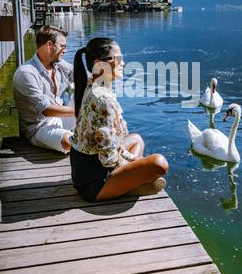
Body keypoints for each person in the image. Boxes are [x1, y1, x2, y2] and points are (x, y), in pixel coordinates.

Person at [70, 37, 169, 202]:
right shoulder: (102, 99)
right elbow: (108, 159)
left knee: (137, 139)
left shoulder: (93, 85)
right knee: (159, 163)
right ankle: (132, 186)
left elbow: (110, 143)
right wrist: (136, 162)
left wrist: (133, 160)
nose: (123, 63)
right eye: (118, 58)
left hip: (84, 170)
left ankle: (132, 183)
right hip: (94, 183)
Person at [13, 25, 76, 153]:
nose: (65, 50)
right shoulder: (26, 73)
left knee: (91, 89)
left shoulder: (59, 64)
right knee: (68, 142)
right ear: (49, 45)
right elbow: (47, 110)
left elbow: (82, 77)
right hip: (38, 127)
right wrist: (81, 111)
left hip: (62, 117)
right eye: (62, 46)